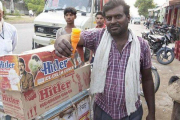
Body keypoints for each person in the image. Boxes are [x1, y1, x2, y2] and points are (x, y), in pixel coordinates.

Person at [54, 0, 155, 120]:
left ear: (128, 18)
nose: (113, 21)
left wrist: (152, 113)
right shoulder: (98, 36)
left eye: (118, 16)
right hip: (103, 111)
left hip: (132, 111)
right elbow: (75, 37)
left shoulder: (142, 45)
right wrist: (62, 38)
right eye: (109, 18)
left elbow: (148, 79)